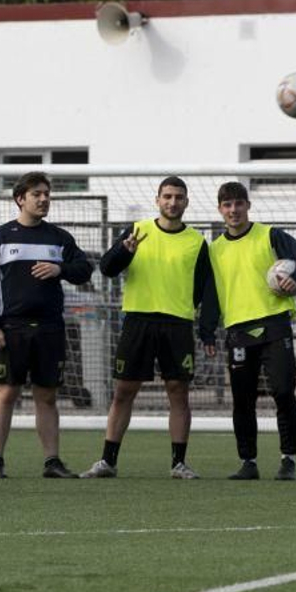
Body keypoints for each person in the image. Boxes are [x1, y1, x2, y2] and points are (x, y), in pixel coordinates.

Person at [82, 177, 218, 479]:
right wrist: (125, 251)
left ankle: (178, 463)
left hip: (177, 324)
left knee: (178, 392)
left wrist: (206, 330)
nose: (172, 202)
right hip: (138, 321)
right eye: (167, 196)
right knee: (123, 392)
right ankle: (108, 461)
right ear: (157, 199)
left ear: (186, 201)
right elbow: (106, 268)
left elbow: (204, 289)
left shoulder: (197, 242)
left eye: (178, 197)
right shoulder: (136, 231)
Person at [0, 171, 93, 479]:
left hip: (50, 329)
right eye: (37, 194)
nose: (43, 200)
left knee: (47, 396)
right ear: (20, 199)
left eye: (46, 194)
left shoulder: (58, 238)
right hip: (10, 330)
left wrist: (60, 269)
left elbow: (84, 270)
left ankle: (52, 462)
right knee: (6, 393)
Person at [204, 181, 296, 481]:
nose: (233, 210)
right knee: (243, 399)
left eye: (238, 204)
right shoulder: (214, 249)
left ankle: (288, 459)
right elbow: (211, 293)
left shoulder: (270, 235)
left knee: (282, 391)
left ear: (247, 206)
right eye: (227, 205)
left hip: (275, 324)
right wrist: (206, 332)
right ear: (220, 210)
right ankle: (248, 462)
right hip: (238, 330)